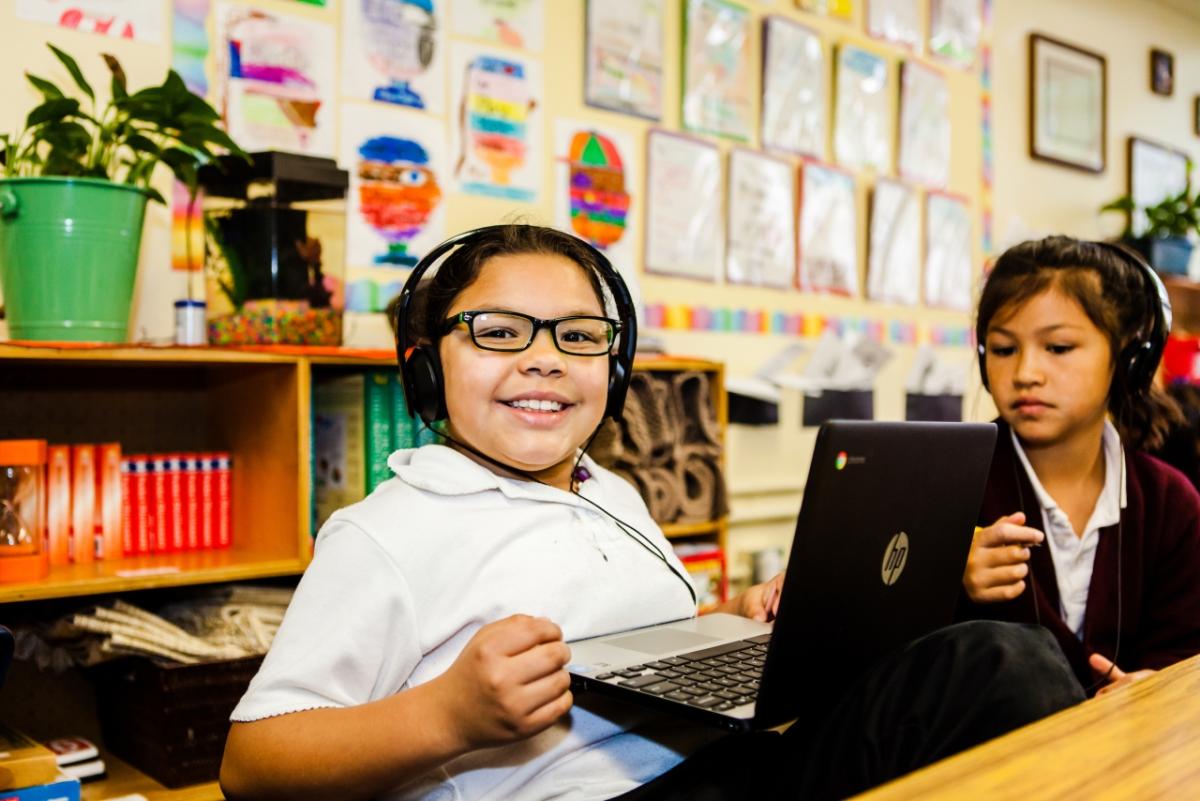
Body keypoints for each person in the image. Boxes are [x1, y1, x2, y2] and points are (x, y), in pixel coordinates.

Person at [221, 225, 1083, 801]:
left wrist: (728, 621)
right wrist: (445, 714)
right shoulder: (389, 530)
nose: (545, 361)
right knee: (996, 664)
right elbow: (252, 762)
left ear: (615, 367)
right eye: (497, 332)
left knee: (990, 662)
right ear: (423, 366)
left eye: (579, 335)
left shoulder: (610, 490)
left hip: (724, 763)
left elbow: (633, 645)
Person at [960, 235, 1200, 696]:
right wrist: (949, 580)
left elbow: (1185, 652)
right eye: (1005, 350)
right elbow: (893, 665)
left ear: (1128, 358)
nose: (1027, 372)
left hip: (1131, 757)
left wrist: (1160, 689)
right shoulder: (948, 485)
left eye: (1059, 348)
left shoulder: (1171, 503)